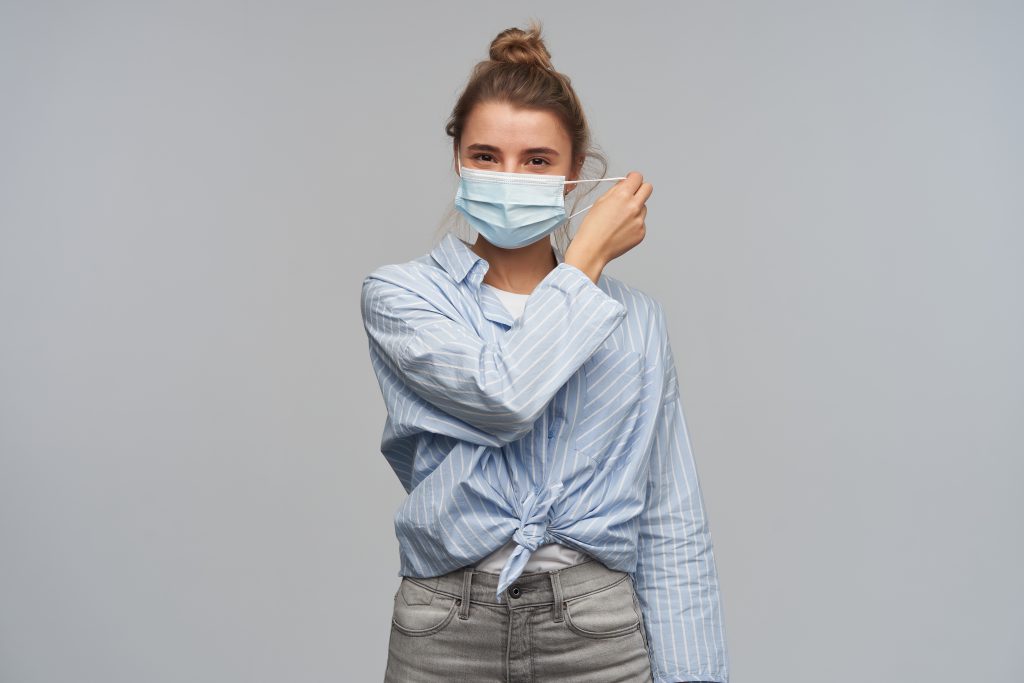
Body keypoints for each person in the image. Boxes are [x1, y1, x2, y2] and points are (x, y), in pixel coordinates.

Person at [360, 20, 729, 683]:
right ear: (457, 162)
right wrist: (584, 257)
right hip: (445, 627)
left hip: (599, 633)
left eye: (536, 161)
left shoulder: (637, 321)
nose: (510, 177)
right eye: (486, 156)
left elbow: (671, 520)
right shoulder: (401, 296)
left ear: (575, 174)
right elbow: (502, 395)